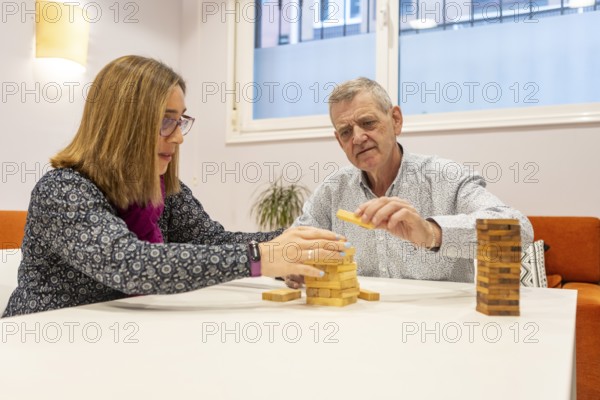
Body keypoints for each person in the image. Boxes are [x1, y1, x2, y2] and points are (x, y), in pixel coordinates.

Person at [2, 56, 346, 318]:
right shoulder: (62, 190)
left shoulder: (163, 188)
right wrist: (261, 257)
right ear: (124, 123)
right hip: (40, 343)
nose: (179, 136)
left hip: (117, 340)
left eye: (180, 120)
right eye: (167, 121)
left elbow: (212, 241)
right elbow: (130, 265)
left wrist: (299, 242)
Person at [286, 77, 533, 288]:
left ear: (396, 120)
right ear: (340, 142)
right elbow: (293, 245)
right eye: (346, 132)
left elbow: (519, 232)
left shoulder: (445, 176)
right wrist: (295, 263)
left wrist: (432, 233)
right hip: (360, 327)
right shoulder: (333, 190)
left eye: (368, 123)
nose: (358, 138)